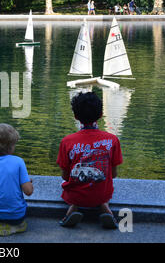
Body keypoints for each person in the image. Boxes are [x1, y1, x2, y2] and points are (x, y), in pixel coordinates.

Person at [56, 92, 123, 229]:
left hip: (76, 195)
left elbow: (65, 176)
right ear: (100, 114)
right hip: (102, 193)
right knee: (104, 185)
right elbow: (113, 174)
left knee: (68, 183)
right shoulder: (112, 140)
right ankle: (105, 207)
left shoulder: (67, 141)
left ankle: (73, 209)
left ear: (75, 116)